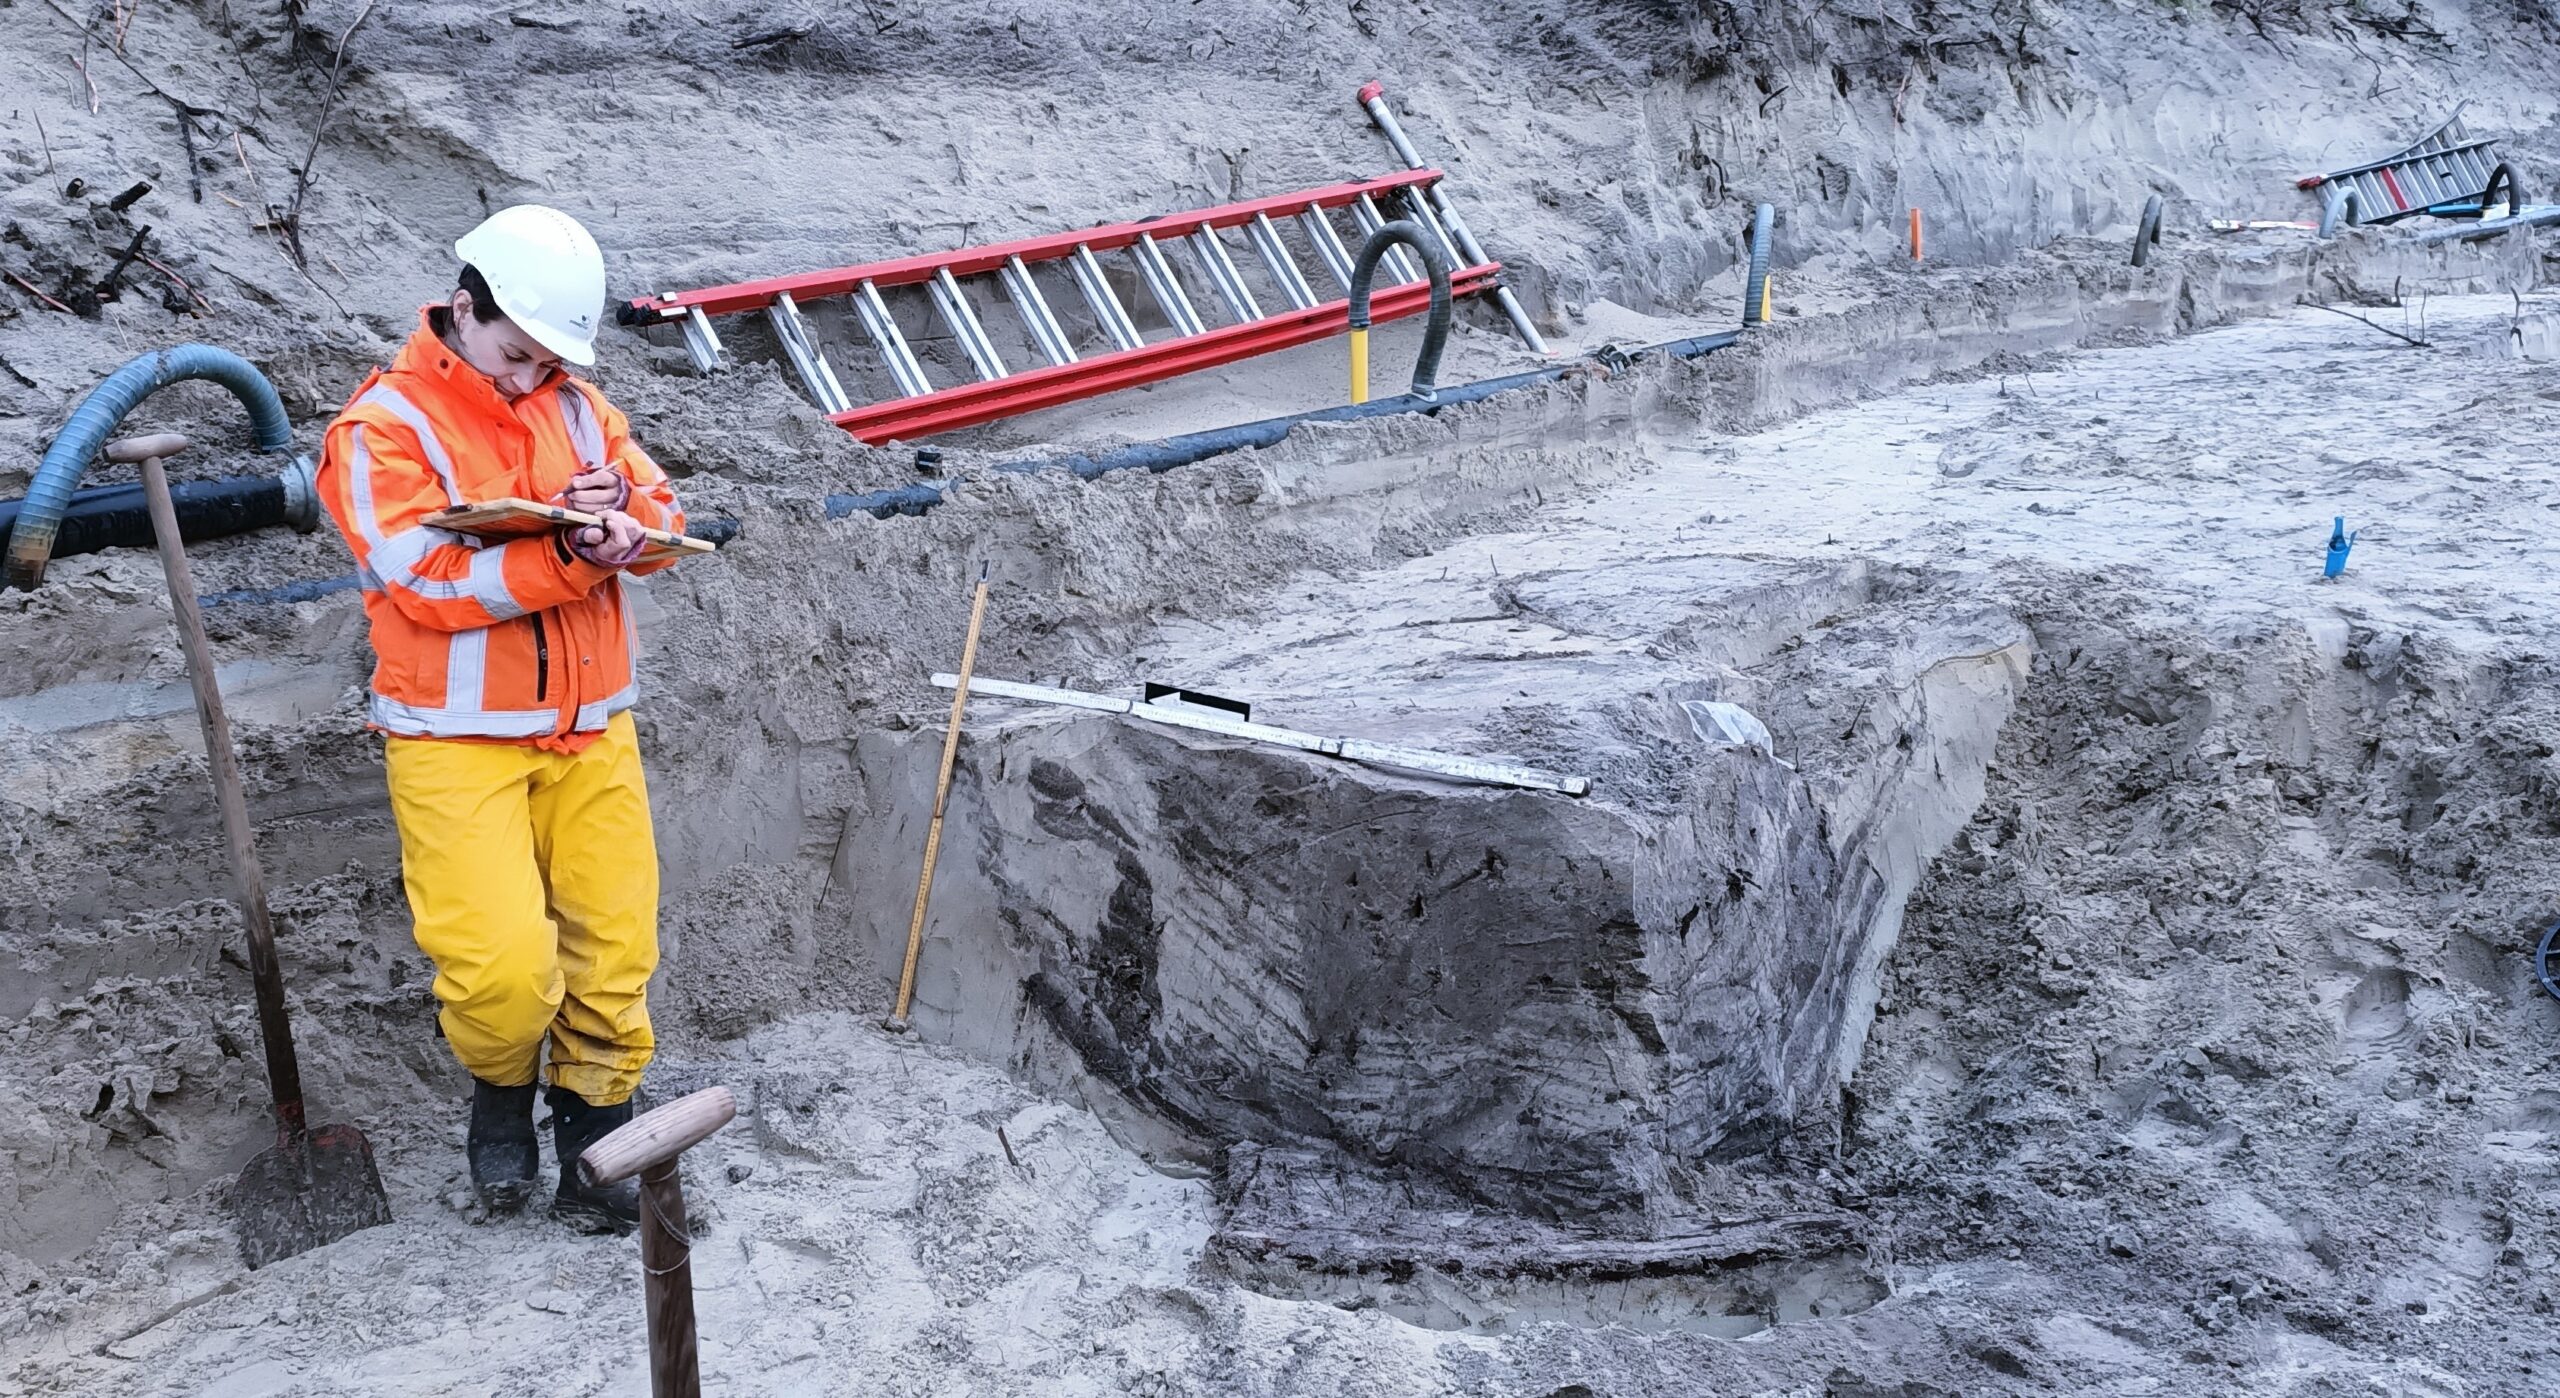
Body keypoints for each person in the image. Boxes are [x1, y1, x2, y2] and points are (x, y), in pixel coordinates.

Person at [314, 205, 683, 1230]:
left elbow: (667, 516)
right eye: (515, 353)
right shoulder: (381, 429)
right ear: (461, 309)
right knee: (503, 971)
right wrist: (570, 557)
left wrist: (627, 522)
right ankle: (501, 1096)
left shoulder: (577, 404)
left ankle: (596, 1119)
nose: (529, 378)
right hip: (455, 741)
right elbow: (425, 580)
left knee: (613, 953)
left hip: (591, 727)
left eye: (546, 360)